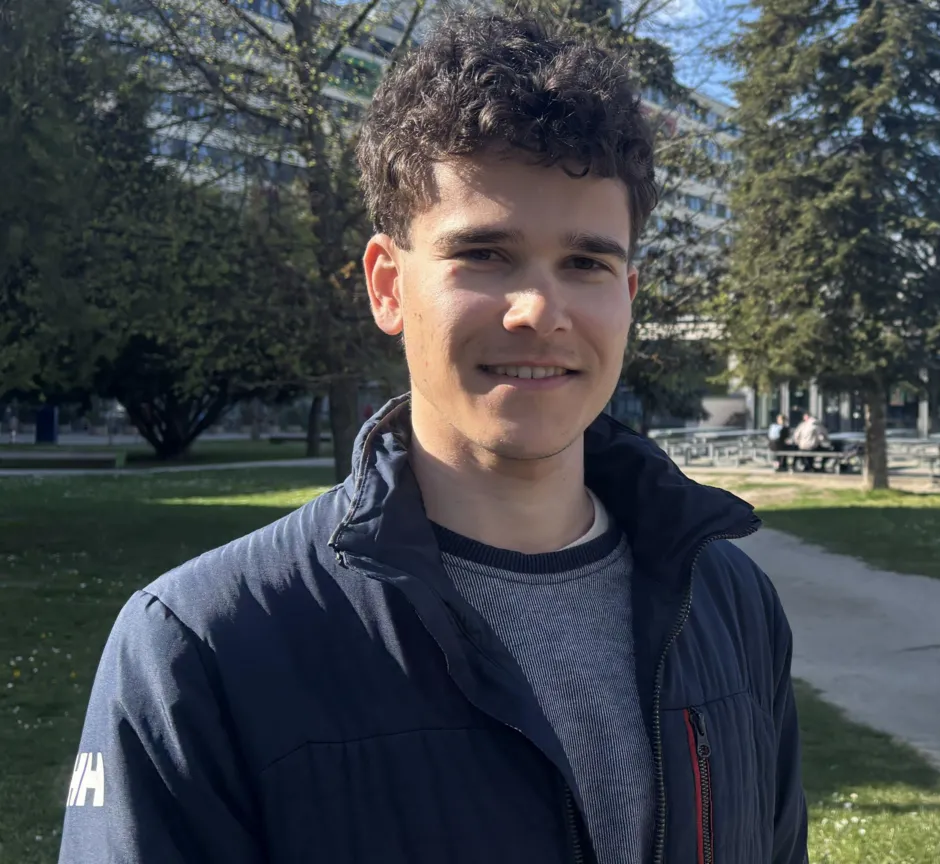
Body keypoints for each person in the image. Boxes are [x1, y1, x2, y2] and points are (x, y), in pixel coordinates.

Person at [59, 12, 808, 864]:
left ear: (628, 294)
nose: (539, 310)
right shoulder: (200, 651)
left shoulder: (734, 604)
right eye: (485, 255)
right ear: (387, 285)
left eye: (586, 263)